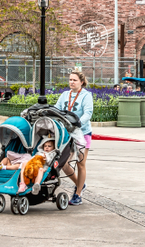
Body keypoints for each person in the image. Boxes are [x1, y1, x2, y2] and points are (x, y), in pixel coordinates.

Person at [56, 70, 93, 205]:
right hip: (67, 133)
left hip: (83, 133)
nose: (71, 82)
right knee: (64, 164)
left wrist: (78, 123)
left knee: (80, 163)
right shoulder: (65, 95)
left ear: (81, 82)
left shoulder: (86, 95)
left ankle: (78, 194)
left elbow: (88, 113)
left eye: (74, 80)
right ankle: (80, 184)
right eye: (70, 79)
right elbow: (57, 109)